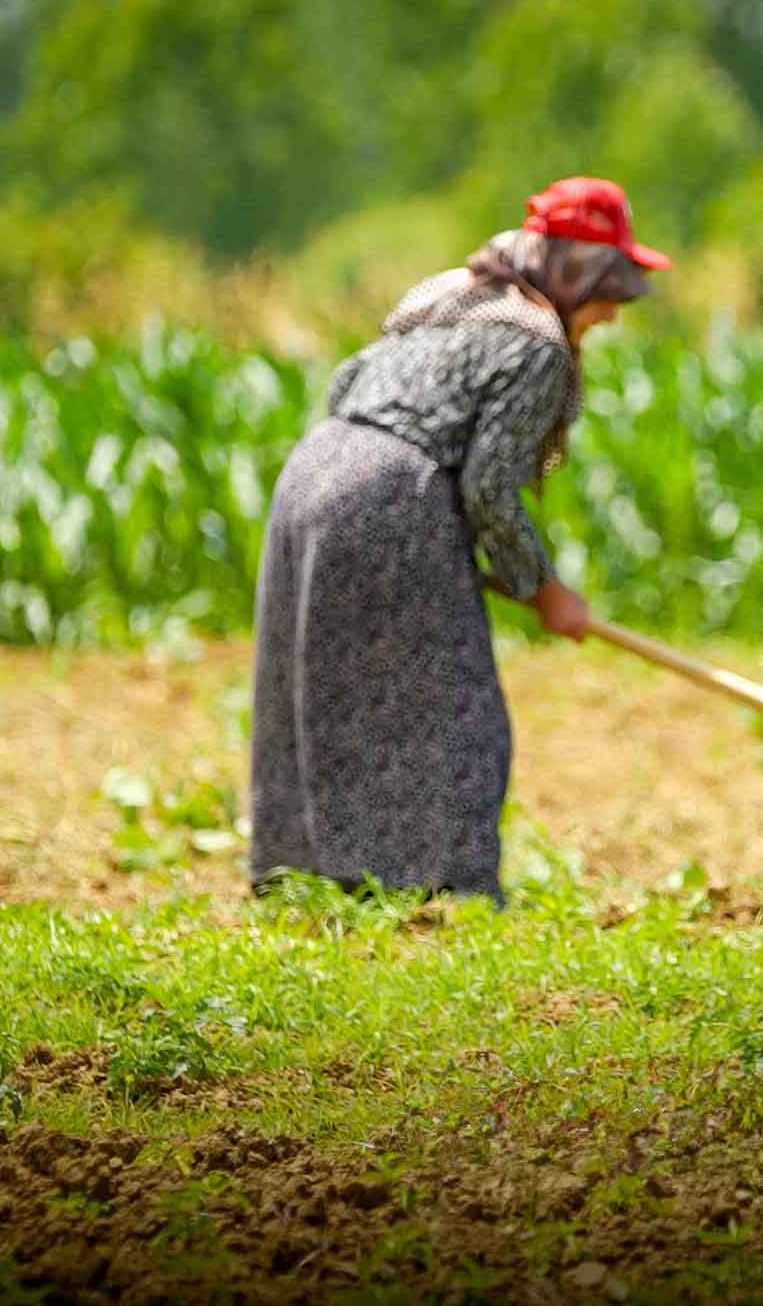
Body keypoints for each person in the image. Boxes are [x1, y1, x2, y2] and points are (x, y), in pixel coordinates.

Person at [247, 177, 671, 904]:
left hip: (314, 471)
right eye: (608, 294)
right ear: (580, 274)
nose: (610, 314)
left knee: (329, 687)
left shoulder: (448, 298)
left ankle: (303, 872)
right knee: (457, 710)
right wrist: (546, 589)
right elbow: (489, 488)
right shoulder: (537, 343)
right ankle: (441, 886)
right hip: (391, 493)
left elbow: (348, 384)